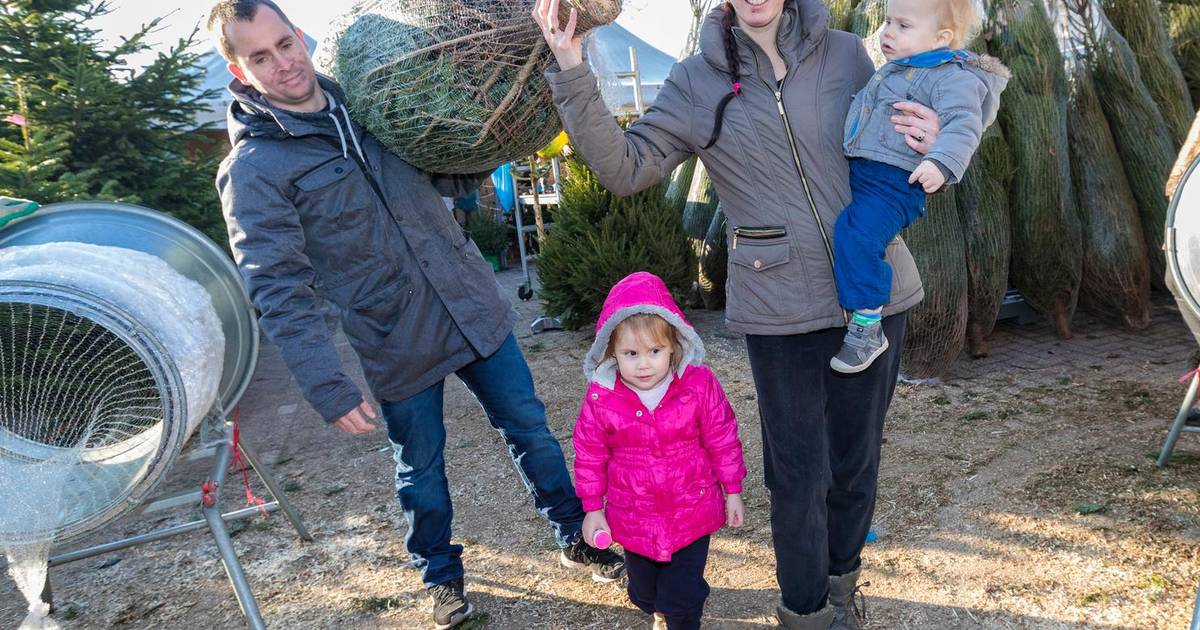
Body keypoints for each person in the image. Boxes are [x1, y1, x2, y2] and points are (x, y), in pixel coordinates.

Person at [206, 2, 623, 628]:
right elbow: (277, 287)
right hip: (394, 334)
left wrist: (489, 134)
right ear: (238, 69)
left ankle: (575, 535)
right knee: (421, 467)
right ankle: (441, 577)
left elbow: (446, 177)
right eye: (260, 56)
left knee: (530, 429)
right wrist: (326, 382)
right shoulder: (255, 170)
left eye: (285, 43)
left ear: (300, 36)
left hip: (470, 305)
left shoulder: (380, 102)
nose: (284, 63)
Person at [532, 0, 943, 627]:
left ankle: (841, 589)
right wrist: (570, 68)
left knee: (855, 464)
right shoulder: (697, 80)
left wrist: (935, 134)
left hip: (875, 296)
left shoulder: (845, 52)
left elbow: (921, 113)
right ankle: (804, 613)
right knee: (798, 474)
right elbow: (624, 167)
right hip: (779, 303)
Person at [829, 0, 1008, 373]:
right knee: (851, 229)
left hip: (895, 182)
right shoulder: (898, 69)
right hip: (869, 173)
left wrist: (941, 162)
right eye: (888, 21)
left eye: (903, 25)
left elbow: (963, 125)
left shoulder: (951, 77)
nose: (888, 32)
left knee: (856, 233)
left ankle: (867, 325)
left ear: (940, 37)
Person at [573, 272, 746, 630]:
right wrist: (592, 509)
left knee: (682, 598)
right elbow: (589, 457)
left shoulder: (698, 385)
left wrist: (732, 491)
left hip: (691, 511)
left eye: (655, 351)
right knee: (644, 594)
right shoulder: (601, 398)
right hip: (634, 515)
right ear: (611, 352)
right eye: (630, 354)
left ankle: (680, 614)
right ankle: (657, 607)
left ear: (674, 346)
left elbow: (722, 436)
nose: (644, 364)